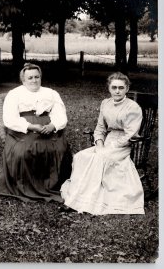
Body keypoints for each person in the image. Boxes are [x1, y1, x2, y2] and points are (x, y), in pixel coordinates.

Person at [61, 72, 145, 215]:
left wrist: (111, 146)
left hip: (122, 145)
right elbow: (100, 128)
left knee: (98, 159)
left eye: (121, 87)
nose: (117, 91)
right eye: (114, 87)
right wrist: (99, 144)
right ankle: (78, 196)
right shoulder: (105, 103)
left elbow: (130, 134)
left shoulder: (133, 107)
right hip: (106, 142)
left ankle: (85, 200)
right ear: (109, 88)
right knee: (81, 156)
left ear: (127, 89)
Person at [0, 63, 72, 203]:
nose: (34, 80)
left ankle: (54, 184)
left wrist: (52, 125)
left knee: (60, 148)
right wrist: (31, 126)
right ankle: (26, 186)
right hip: (23, 130)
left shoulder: (51, 93)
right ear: (23, 80)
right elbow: (10, 119)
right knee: (23, 151)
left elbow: (60, 114)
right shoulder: (14, 94)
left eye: (37, 77)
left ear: (40, 78)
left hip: (48, 128)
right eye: (30, 78)